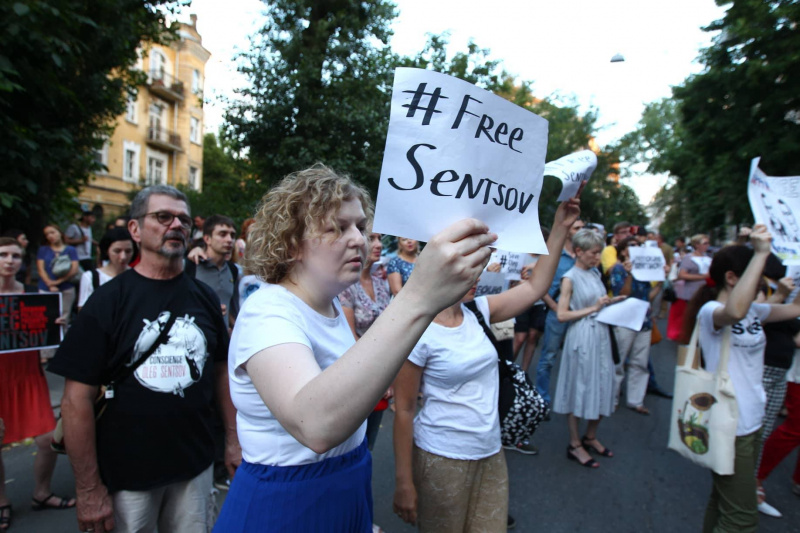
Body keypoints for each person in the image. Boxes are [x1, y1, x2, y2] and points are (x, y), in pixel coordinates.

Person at [213, 165, 495, 532]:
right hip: (285, 506)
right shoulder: (267, 310)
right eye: (337, 227)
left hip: (345, 488)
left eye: (360, 227)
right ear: (292, 243)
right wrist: (419, 295)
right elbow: (315, 425)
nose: (359, 239)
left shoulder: (330, 305)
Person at [49, 185, 239, 533]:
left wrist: (233, 440)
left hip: (193, 470)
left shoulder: (205, 298)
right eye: (163, 217)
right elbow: (76, 401)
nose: (176, 225)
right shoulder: (107, 302)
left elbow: (221, 373)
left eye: (183, 219)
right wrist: (89, 490)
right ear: (135, 229)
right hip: (126, 478)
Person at [392, 199, 580, 531]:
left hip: (490, 452)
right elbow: (404, 409)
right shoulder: (418, 329)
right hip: (441, 457)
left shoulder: (479, 310)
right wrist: (404, 482)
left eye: (480, 266)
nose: (478, 274)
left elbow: (535, 286)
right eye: (471, 267)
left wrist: (561, 227)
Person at [678, 225, 800, 532]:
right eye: (754, 275)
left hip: (751, 420)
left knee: (722, 502)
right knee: (742, 519)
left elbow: (795, 308)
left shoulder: (755, 312)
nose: (762, 283)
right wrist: (760, 252)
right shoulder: (712, 311)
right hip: (730, 424)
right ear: (732, 278)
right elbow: (733, 312)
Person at [0, 237, 76, 531]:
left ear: (23, 261)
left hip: (29, 377)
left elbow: (49, 336)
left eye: (15, 256)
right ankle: (2, 500)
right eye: (4, 255)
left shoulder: (34, 294)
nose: (9, 261)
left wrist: (55, 326)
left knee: (47, 440)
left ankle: (41, 493)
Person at [553, 229, 625, 468]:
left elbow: (598, 302)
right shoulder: (570, 277)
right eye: (594, 253)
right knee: (578, 386)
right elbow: (562, 314)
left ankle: (590, 436)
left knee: (605, 384)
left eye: (599, 253)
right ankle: (575, 443)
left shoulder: (595, 273)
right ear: (579, 252)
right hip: (582, 337)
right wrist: (593, 308)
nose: (598, 258)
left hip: (601, 335)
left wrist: (612, 302)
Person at [339, 229, 393, 451]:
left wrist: (389, 376)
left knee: (369, 446)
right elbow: (349, 336)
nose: (378, 243)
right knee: (351, 446)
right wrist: (376, 378)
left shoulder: (381, 283)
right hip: (356, 376)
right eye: (371, 238)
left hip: (382, 372)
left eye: (380, 238)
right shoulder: (346, 286)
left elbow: (389, 333)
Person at [535, 218, 585, 409]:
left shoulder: (583, 257)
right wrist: (555, 307)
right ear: (568, 231)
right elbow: (540, 284)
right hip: (556, 315)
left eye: (582, 227)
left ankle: (571, 402)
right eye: (577, 227)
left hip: (578, 315)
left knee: (575, 360)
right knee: (548, 358)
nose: (581, 230)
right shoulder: (554, 255)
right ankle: (542, 400)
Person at [609, 237, 659, 415]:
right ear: (623, 252)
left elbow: (648, 296)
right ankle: (611, 398)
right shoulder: (618, 269)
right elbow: (622, 294)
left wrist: (660, 281)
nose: (636, 248)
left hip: (643, 321)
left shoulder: (644, 270)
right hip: (625, 320)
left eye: (638, 246)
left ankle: (635, 400)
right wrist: (630, 275)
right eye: (632, 246)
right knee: (618, 361)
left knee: (640, 362)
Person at [185, 214, 240, 330]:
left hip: (222, 342)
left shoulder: (233, 270)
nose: (229, 240)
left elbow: (229, 305)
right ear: (207, 239)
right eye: (222, 234)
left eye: (232, 235)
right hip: (194, 339)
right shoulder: (191, 265)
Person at [76, 228, 135, 311]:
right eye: (117, 251)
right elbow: (83, 312)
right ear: (106, 251)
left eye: (128, 251)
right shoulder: (91, 277)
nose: (123, 257)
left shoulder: (138, 276)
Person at [36, 224, 79, 331]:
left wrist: (57, 282)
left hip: (66, 287)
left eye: (53, 232)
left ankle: (63, 344)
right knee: (46, 317)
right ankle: (47, 346)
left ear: (60, 232)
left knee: (64, 318)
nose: (50, 236)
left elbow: (74, 269)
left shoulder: (71, 249)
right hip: (45, 288)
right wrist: (49, 283)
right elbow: (41, 269)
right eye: (47, 234)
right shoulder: (43, 250)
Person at [668, 233, 710, 341]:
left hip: (705, 291)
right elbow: (682, 275)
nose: (707, 245)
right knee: (692, 316)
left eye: (708, 243)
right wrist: (702, 276)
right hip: (691, 292)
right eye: (704, 243)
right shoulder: (689, 258)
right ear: (697, 245)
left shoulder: (708, 258)